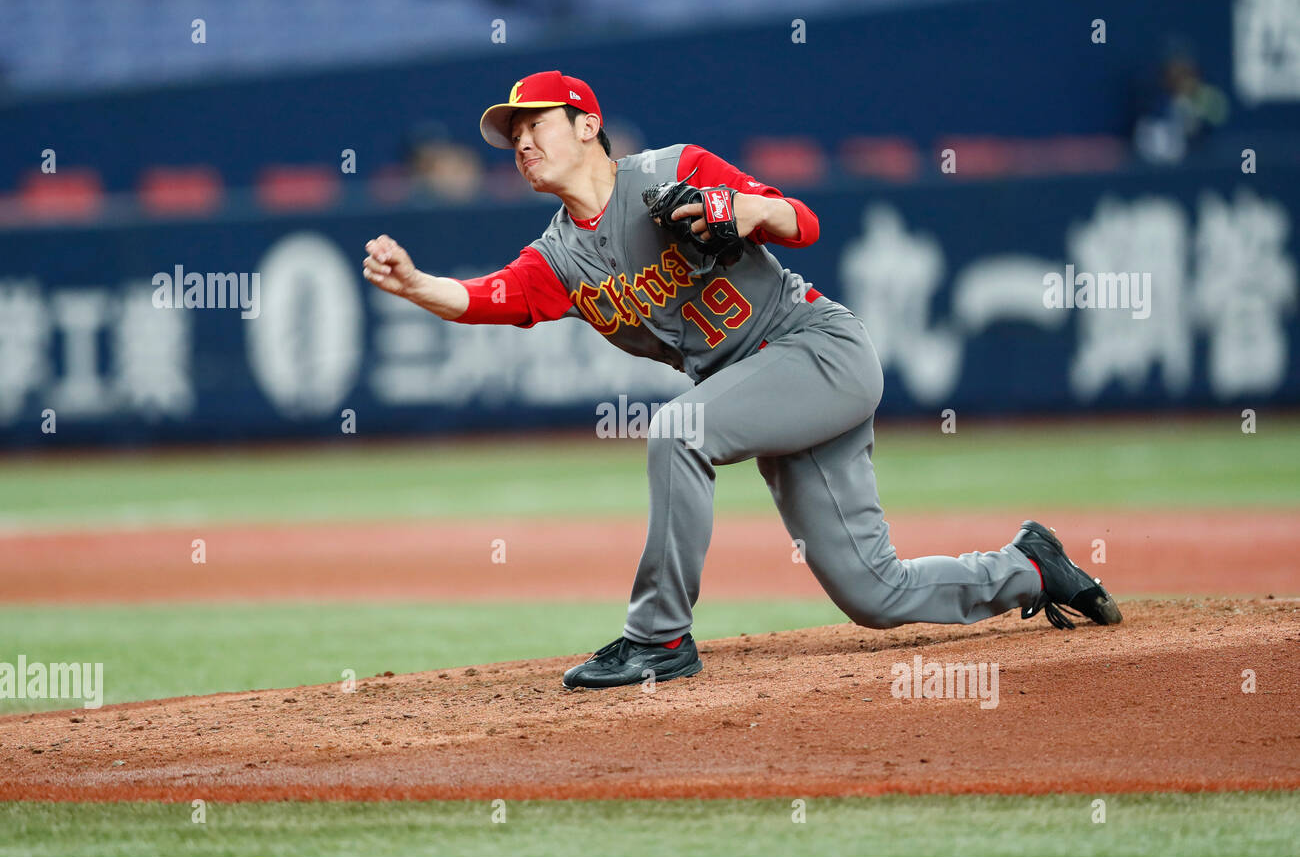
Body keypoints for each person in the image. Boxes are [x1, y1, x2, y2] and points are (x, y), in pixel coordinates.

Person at [362, 71, 1122, 690]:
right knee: (875, 594)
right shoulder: (557, 259)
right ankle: (1027, 567)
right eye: (512, 135)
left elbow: (803, 222)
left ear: (587, 124)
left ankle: (658, 639)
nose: (521, 142)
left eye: (537, 124)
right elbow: (482, 298)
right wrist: (416, 282)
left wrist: (740, 208)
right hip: (761, 394)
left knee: (678, 429)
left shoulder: (674, 170)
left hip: (816, 350)